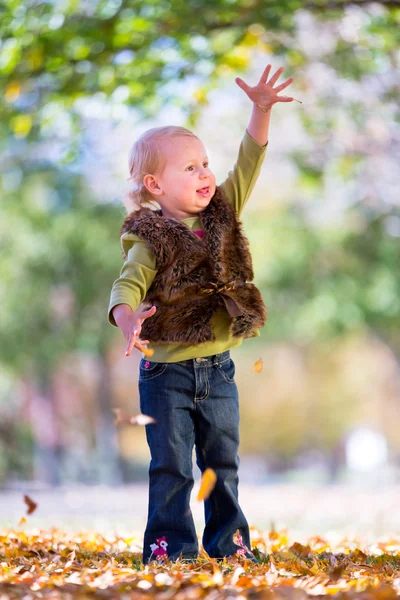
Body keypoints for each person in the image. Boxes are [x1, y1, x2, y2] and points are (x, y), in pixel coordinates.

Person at [108, 64, 295, 564]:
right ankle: (170, 550)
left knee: (222, 462)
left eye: (205, 163)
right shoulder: (147, 237)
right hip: (165, 372)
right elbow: (127, 282)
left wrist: (260, 110)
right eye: (189, 168)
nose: (205, 174)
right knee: (172, 467)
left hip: (219, 369)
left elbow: (249, 162)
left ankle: (230, 544)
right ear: (154, 184)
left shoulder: (223, 212)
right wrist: (126, 316)